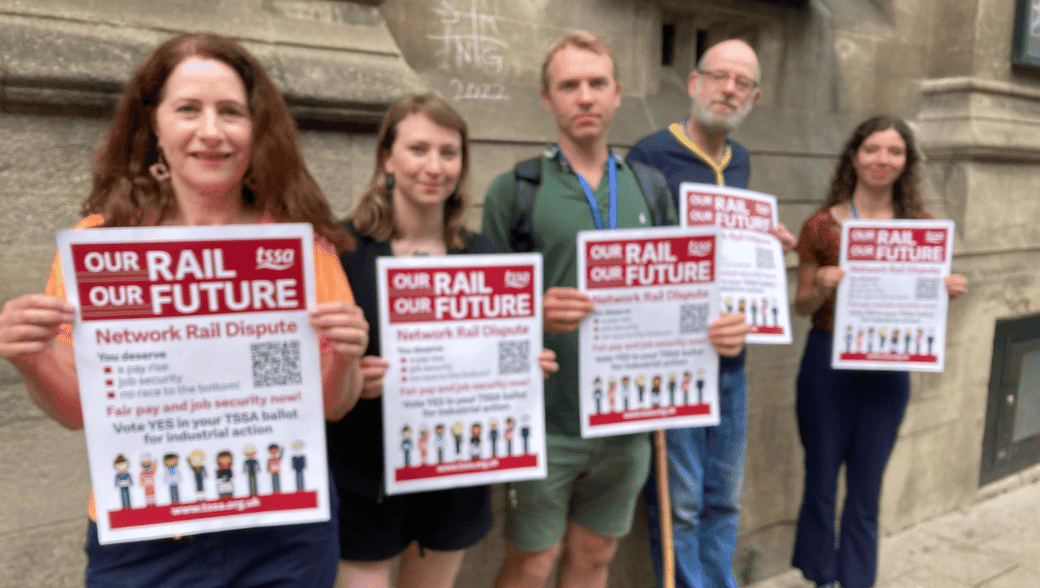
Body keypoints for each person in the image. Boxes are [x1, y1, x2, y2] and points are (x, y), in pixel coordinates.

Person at [0, 33, 368, 587]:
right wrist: (31, 358)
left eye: (231, 113)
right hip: (145, 538)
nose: (212, 132)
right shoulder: (102, 246)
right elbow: (79, 411)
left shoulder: (299, 247)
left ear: (256, 129)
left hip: (282, 536)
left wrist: (344, 357)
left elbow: (332, 405)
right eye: (189, 110)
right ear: (154, 125)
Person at [481, 31, 748, 588]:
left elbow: (681, 297)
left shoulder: (649, 189)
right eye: (569, 85)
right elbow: (483, 311)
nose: (585, 96)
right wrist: (533, 311)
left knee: (595, 559)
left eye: (596, 83)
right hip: (547, 420)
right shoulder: (517, 190)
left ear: (617, 94)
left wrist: (719, 331)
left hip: (629, 423)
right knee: (531, 563)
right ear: (547, 99)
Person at [327, 93, 558, 588]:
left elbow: (498, 360)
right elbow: (315, 370)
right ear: (387, 158)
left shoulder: (485, 257)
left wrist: (519, 368)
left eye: (448, 153)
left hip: (454, 477)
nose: (434, 166)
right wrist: (351, 379)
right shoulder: (341, 253)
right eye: (418, 149)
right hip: (365, 477)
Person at [627, 39, 794, 588]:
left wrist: (767, 252)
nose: (729, 89)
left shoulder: (739, 161)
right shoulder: (649, 155)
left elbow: (733, 252)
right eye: (718, 76)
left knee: (724, 499)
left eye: (741, 82)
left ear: (755, 96)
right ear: (693, 83)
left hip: (731, 364)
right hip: (677, 365)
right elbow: (632, 265)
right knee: (682, 505)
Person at [792, 115, 967, 588]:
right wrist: (822, 288)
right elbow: (800, 304)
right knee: (822, 479)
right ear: (854, 156)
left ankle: (857, 580)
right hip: (829, 361)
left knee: (867, 488)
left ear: (906, 162)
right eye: (872, 149)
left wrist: (944, 290)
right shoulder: (822, 226)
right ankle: (821, 575)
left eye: (894, 151)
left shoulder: (923, 230)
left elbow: (919, 307)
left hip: (890, 368)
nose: (881, 160)